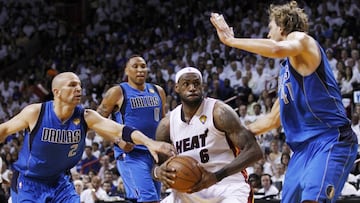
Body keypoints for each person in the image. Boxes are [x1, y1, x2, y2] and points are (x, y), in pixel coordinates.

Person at [210, 1, 358, 202]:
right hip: (301, 151)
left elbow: (278, 48)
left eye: (270, 28)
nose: (268, 33)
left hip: (330, 140)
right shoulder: (286, 71)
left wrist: (231, 40)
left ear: (281, 27)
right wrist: (234, 135)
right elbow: (272, 119)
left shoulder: (302, 41)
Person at [0, 72, 175, 202]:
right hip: (30, 182)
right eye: (72, 85)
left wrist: (151, 143)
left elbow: (120, 130)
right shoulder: (35, 112)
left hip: (60, 181)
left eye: (79, 85)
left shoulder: (86, 116)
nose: (78, 89)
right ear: (57, 92)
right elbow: (4, 130)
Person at [153, 67, 263, 203]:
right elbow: (157, 166)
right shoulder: (167, 125)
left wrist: (216, 176)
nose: (192, 88)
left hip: (227, 186)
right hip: (189, 190)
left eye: (196, 83)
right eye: (186, 84)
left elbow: (255, 151)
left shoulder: (219, 112)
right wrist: (158, 172)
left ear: (202, 86)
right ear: (177, 88)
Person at [97, 55, 167, 203]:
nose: (140, 70)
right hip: (131, 154)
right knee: (148, 199)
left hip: (154, 153)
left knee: (153, 198)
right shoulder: (117, 92)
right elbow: (96, 122)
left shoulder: (158, 91)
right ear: (126, 70)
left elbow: (163, 123)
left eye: (143, 66)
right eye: (135, 66)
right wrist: (117, 140)